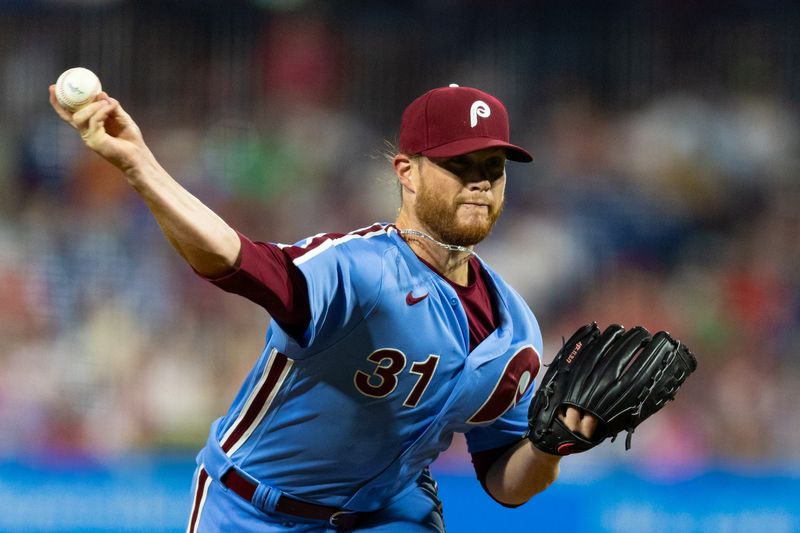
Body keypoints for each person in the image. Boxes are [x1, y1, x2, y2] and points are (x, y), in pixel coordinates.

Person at [49, 82, 598, 532]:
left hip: (387, 516)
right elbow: (232, 258)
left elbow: (505, 480)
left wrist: (553, 446)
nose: (480, 181)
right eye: (460, 165)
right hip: (252, 510)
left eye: (493, 168)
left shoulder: (515, 326)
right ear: (406, 173)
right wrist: (139, 164)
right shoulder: (359, 268)